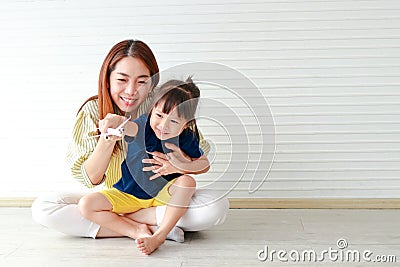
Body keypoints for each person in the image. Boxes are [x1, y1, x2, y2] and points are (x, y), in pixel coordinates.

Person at [31, 39, 229, 240]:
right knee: (44, 208)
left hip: (161, 197)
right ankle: (146, 228)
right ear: (107, 78)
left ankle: (124, 222)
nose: (131, 91)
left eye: (142, 81)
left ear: (152, 83)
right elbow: (90, 179)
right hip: (118, 197)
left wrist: (178, 164)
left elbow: (200, 158)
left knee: (215, 206)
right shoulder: (92, 110)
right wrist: (109, 136)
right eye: (122, 80)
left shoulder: (163, 105)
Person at [79, 78, 208, 255]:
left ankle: (160, 235)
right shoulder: (142, 125)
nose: (163, 126)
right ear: (152, 109)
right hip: (128, 193)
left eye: (174, 122)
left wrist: (178, 166)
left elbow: (204, 164)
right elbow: (127, 126)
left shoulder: (187, 136)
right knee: (86, 205)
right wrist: (115, 122)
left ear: (186, 124)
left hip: (162, 194)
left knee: (187, 182)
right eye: (159, 116)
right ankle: (136, 230)